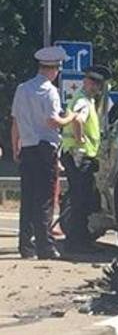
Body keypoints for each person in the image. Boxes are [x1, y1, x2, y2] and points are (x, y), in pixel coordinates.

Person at [10, 46, 75, 259]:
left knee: (27, 198)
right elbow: (52, 121)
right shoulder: (50, 91)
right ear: (54, 69)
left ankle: (25, 246)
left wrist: (15, 147)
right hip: (46, 148)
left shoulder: (22, 89)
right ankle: (45, 246)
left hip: (27, 148)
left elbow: (16, 123)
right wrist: (70, 118)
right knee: (45, 199)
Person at [58, 65, 111, 250]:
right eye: (94, 83)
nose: (95, 87)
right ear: (88, 82)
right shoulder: (84, 101)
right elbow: (78, 120)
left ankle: (77, 239)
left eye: (98, 84)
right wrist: (80, 139)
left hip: (74, 155)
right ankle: (77, 242)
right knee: (81, 200)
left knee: (79, 198)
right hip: (80, 156)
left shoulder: (81, 98)